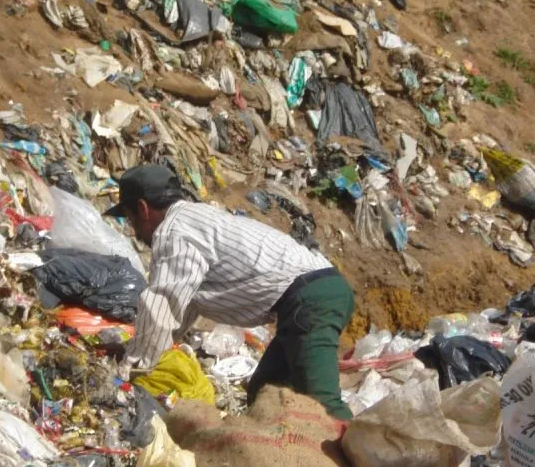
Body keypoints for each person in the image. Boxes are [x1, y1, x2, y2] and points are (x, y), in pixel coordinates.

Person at [105, 164, 355, 420]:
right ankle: (280, 442)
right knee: (266, 390)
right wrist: (145, 348)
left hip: (311, 298)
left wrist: (129, 368)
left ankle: (349, 444)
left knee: (322, 405)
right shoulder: (197, 218)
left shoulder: (174, 232)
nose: (134, 229)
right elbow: (184, 304)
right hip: (316, 291)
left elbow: (164, 303)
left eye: (131, 218)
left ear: (143, 209)